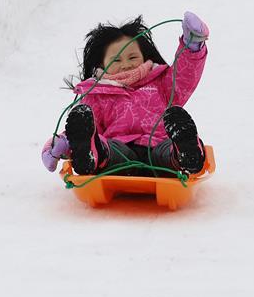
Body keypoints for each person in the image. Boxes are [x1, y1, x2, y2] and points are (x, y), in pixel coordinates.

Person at [41, 12, 210, 177]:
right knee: (109, 150)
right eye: (116, 60)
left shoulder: (161, 83)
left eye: (132, 57)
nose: (126, 64)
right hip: (120, 152)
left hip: (159, 146)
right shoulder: (98, 93)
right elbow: (85, 130)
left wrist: (192, 46)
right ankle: (93, 155)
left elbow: (185, 75)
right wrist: (63, 143)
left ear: (144, 57)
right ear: (102, 64)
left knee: (167, 152)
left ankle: (185, 153)